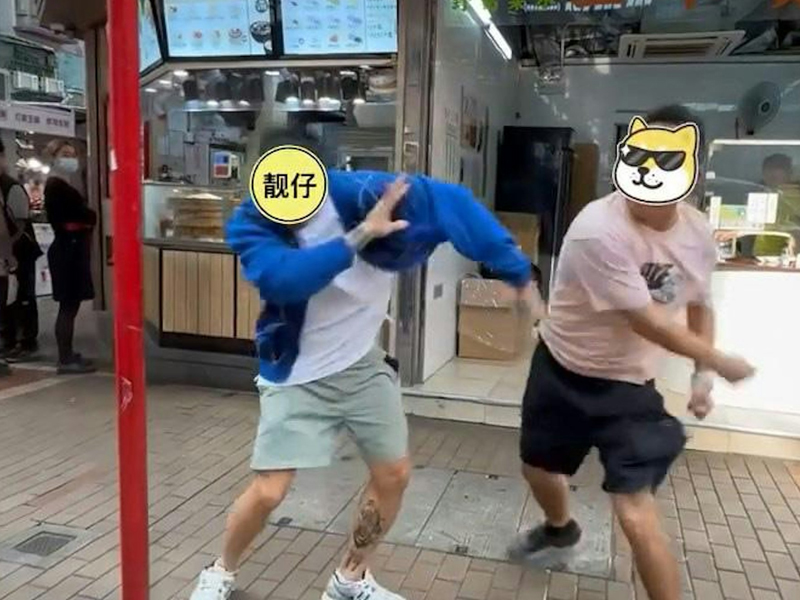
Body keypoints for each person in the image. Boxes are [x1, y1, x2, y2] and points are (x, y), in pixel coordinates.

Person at [189, 136, 539, 600]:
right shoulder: (252, 221)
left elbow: (452, 202)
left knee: (393, 474)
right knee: (271, 490)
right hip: (296, 375)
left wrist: (519, 275)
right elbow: (283, 280)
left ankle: (349, 580)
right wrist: (361, 237)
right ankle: (221, 570)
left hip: (361, 365)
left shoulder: (362, 192)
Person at [508, 105, 755, 600]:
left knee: (635, 513)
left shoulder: (697, 233)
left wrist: (702, 375)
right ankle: (560, 528)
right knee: (538, 468)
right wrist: (721, 361)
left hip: (628, 387)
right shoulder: (598, 228)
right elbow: (646, 321)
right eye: (640, 156)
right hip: (562, 368)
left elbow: (698, 304)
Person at [44, 140, 96, 374]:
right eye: (65, 154)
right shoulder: (56, 187)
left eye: (72, 154)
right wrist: (87, 218)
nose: (71, 159)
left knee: (71, 306)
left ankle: (68, 353)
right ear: (54, 157)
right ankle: (65, 358)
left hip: (70, 248)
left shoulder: (61, 185)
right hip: (68, 250)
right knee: (68, 305)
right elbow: (84, 215)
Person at [0, 138, 42, 361]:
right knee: (6, 298)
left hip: (19, 251)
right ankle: (8, 338)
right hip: (5, 252)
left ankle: (26, 341)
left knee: (22, 295)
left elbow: (20, 224)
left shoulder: (11, 187)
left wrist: (9, 252)